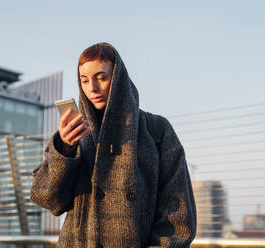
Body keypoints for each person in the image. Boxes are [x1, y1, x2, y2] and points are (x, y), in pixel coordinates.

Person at [30, 42, 197, 248]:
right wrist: (64, 149)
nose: (92, 88)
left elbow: (177, 213)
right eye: (84, 80)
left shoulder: (156, 130)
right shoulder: (75, 134)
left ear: (118, 78)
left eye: (101, 77)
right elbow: (46, 198)